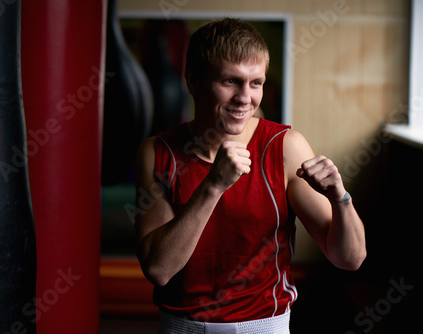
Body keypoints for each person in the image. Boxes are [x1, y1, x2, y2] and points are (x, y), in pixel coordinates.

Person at [134, 18, 366, 333]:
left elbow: (349, 259)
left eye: (255, 82)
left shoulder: (285, 147)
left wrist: (341, 198)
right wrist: (213, 185)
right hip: (181, 327)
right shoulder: (157, 152)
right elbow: (159, 269)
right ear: (193, 82)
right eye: (230, 81)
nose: (245, 98)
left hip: (264, 326)